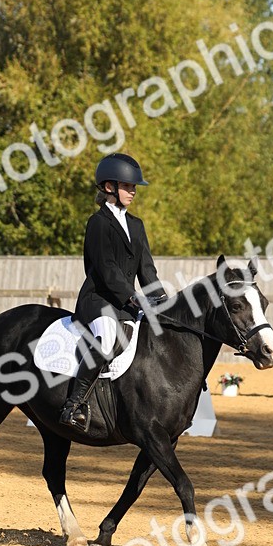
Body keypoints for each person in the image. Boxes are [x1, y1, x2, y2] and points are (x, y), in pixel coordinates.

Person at [59, 152, 168, 430]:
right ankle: (74, 404)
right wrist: (133, 297)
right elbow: (106, 269)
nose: (132, 191)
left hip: (125, 303)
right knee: (107, 339)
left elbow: (147, 269)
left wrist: (160, 299)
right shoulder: (98, 223)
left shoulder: (136, 225)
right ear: (109, 187)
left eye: (133, 187)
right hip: (98, 300)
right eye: (127, 186)